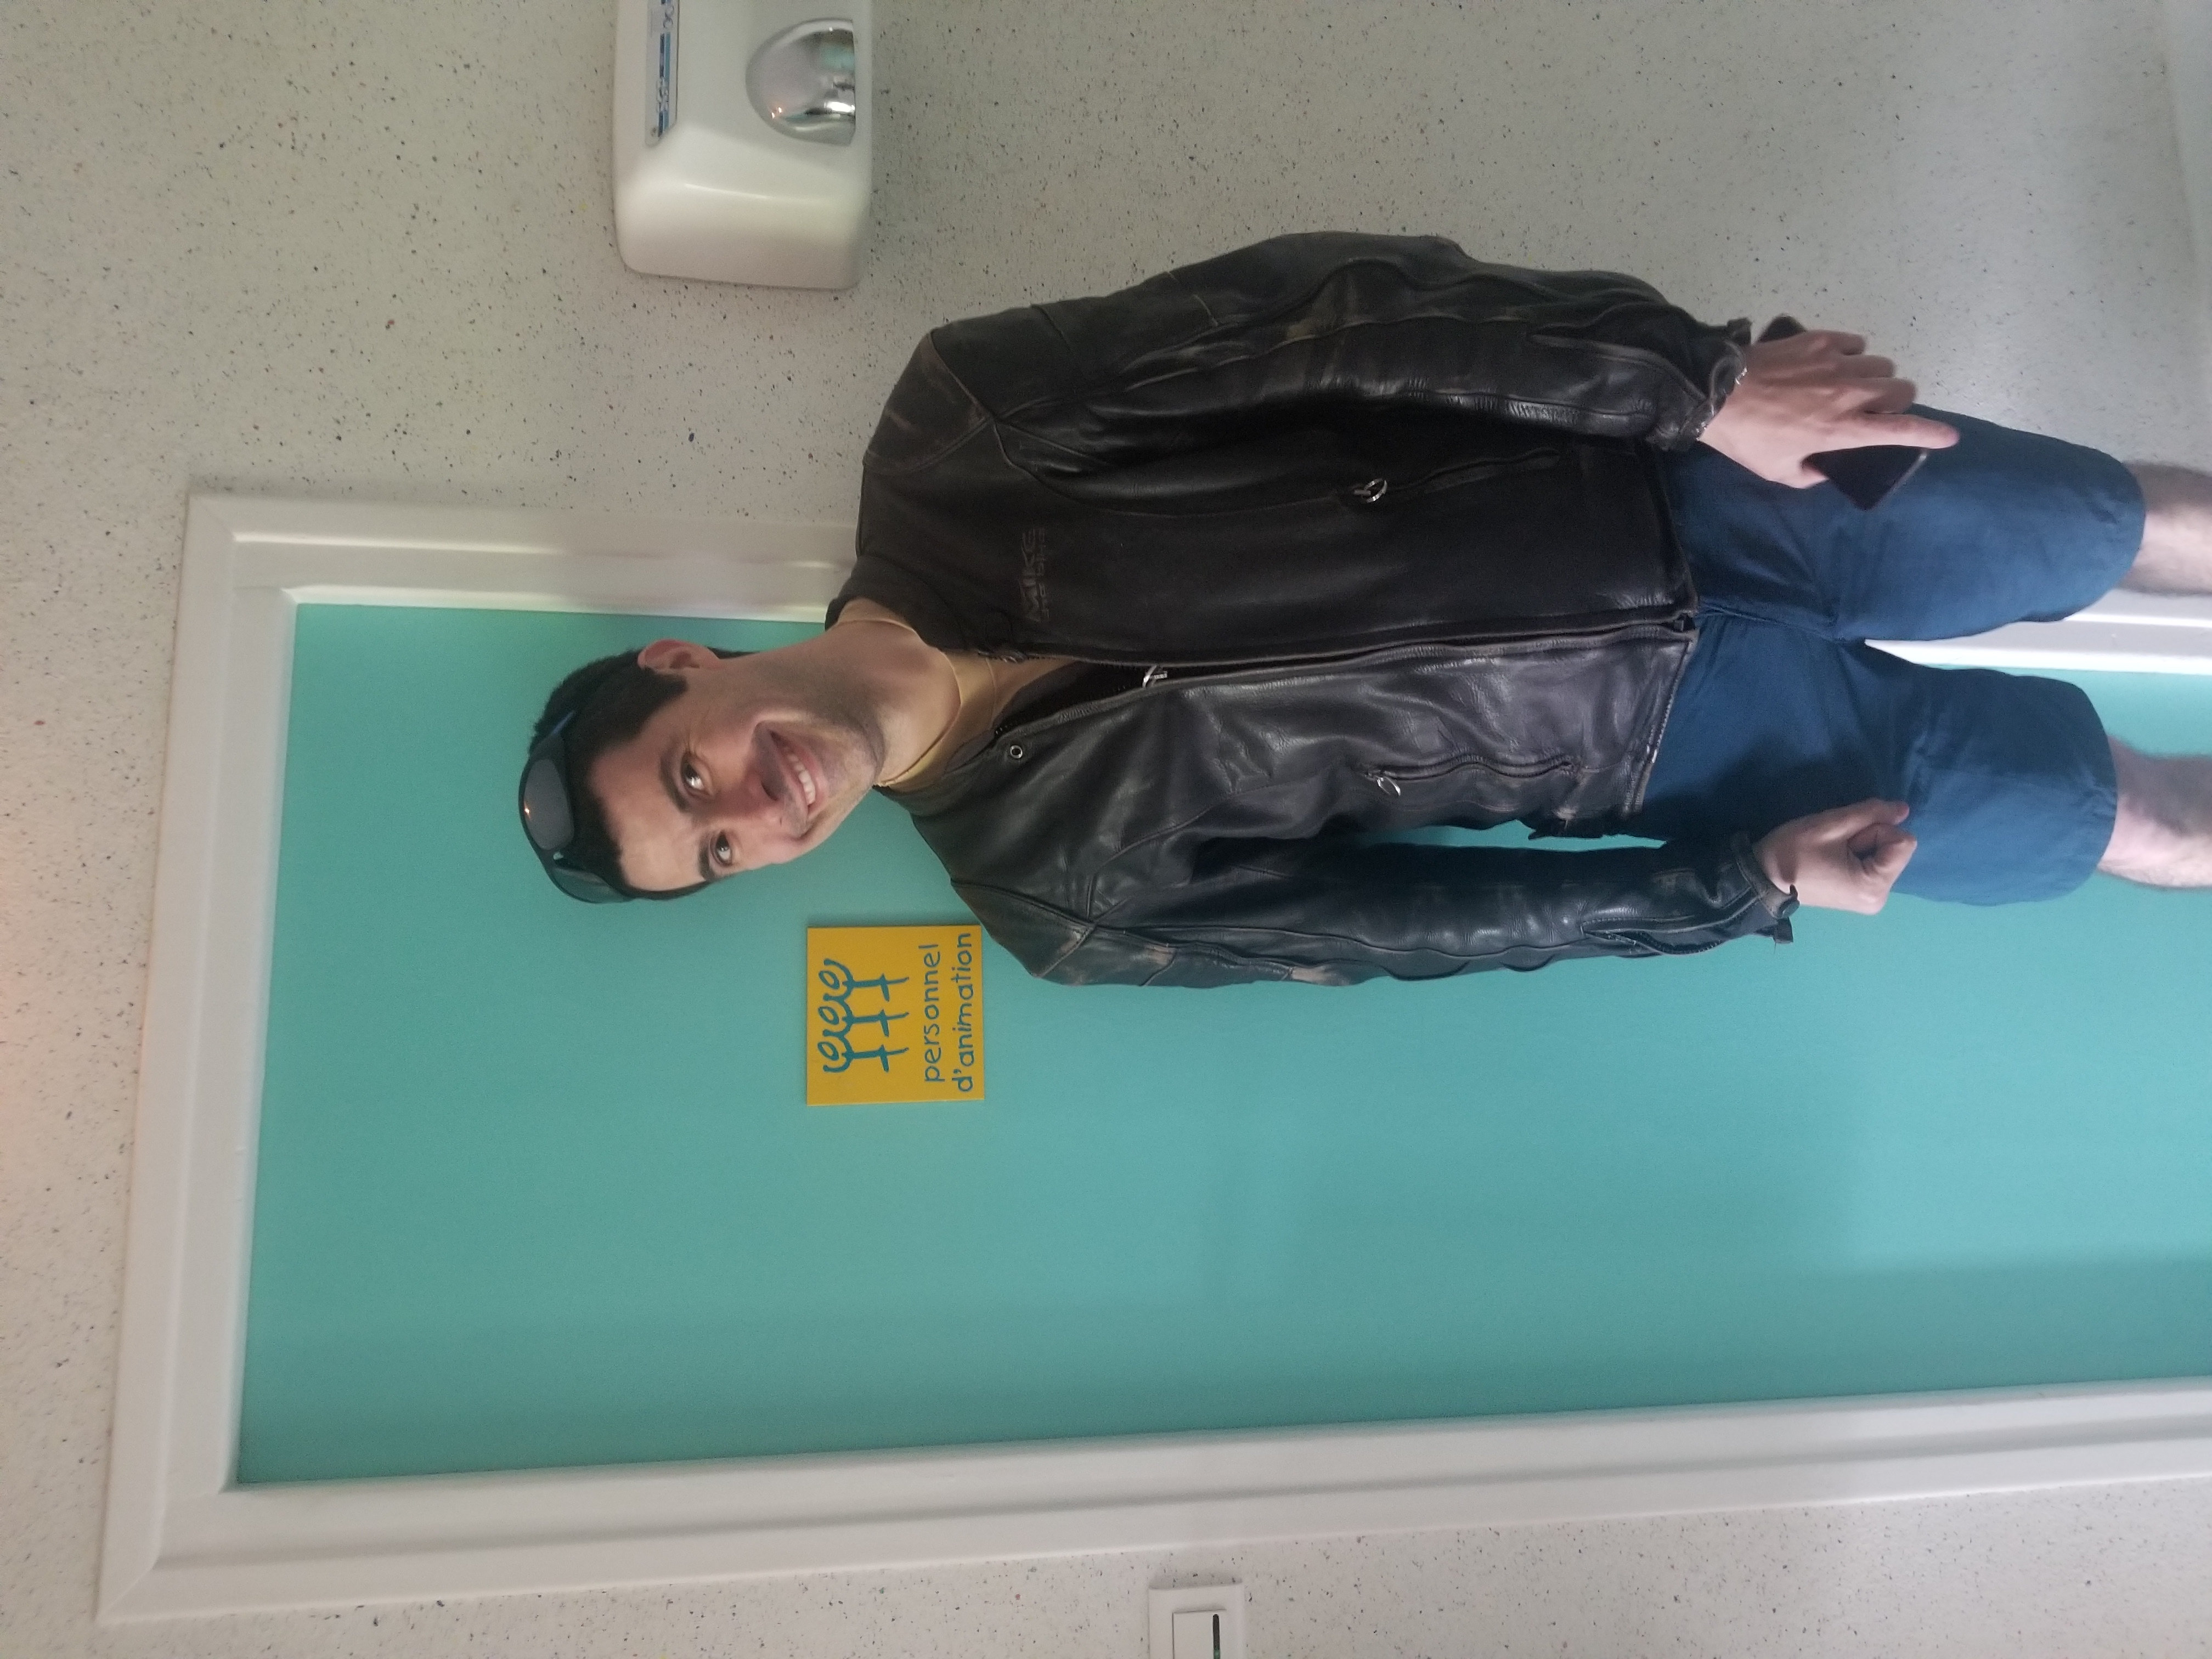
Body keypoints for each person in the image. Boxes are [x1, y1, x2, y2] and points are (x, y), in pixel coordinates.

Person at [516, 233, 2212, 986]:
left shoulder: (962, 433)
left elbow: (1337, 317)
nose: (752, 808)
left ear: (684, 665)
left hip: (1682, 482)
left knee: (2123, 526)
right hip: (1692, 758)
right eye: (716, 853)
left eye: (688, 773)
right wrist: (1733, 891)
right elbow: (1408, 928)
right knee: (2141, 826)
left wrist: (1698, 385)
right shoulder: (1055, 897)